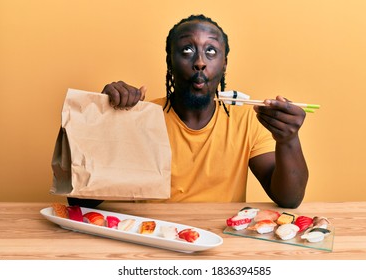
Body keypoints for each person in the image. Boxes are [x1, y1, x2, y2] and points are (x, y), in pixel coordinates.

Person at [68, 14, 308, 209]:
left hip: (221, 243)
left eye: (211, 51)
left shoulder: (246, 120)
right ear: (170, 61)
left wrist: (288, 140)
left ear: (224, 63)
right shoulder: (142, 118)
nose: (200, 62)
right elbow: (80, 200)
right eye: (186, 50)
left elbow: (288, 198)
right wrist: (107, 120)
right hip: (153, 239)